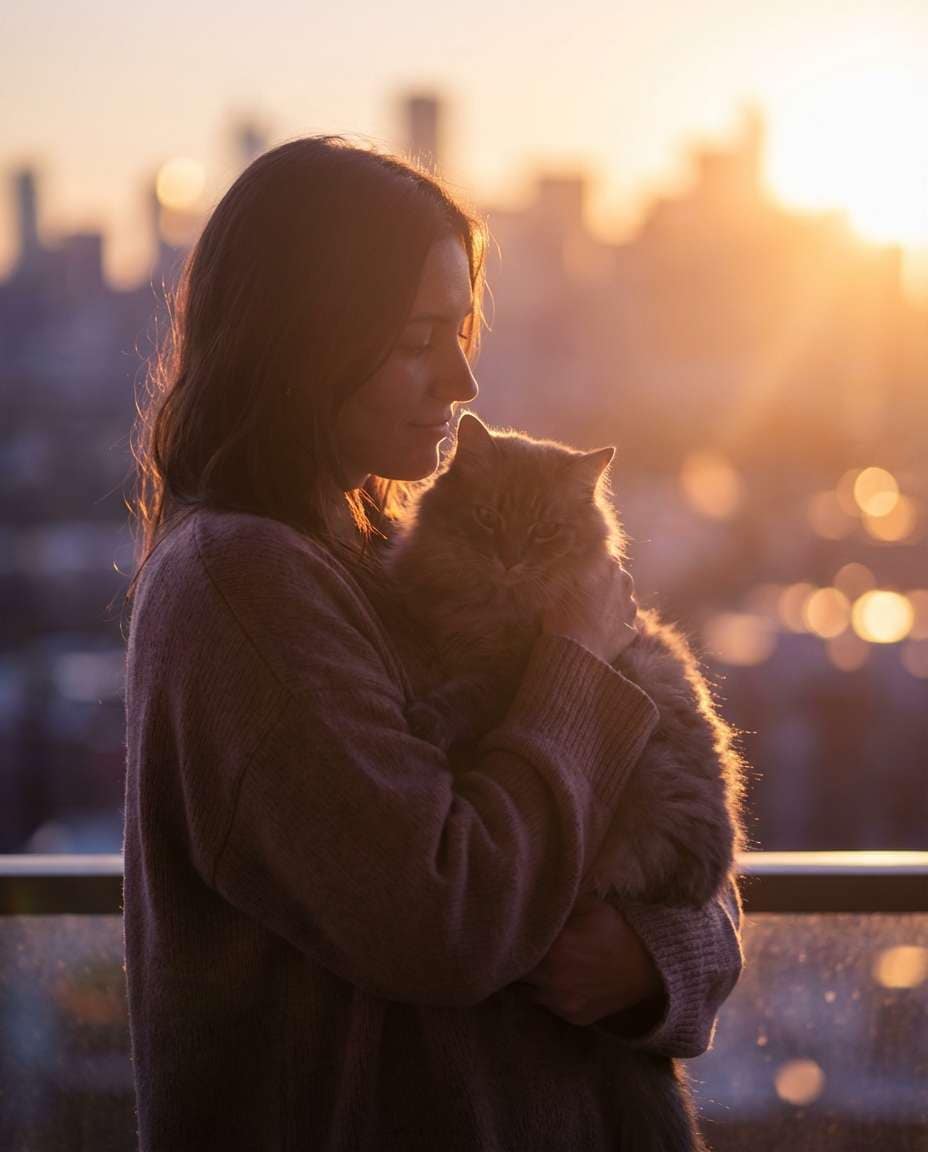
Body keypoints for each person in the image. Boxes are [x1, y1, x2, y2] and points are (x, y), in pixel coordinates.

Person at [123, 135, 743, 1151]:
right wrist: (577, 664)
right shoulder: (239, 590)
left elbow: (680, 838)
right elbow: (442, 917)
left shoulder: (392, 561)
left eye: (462, 331)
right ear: (302, 340)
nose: (460, 380)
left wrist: (654, 959)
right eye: (417, 340)